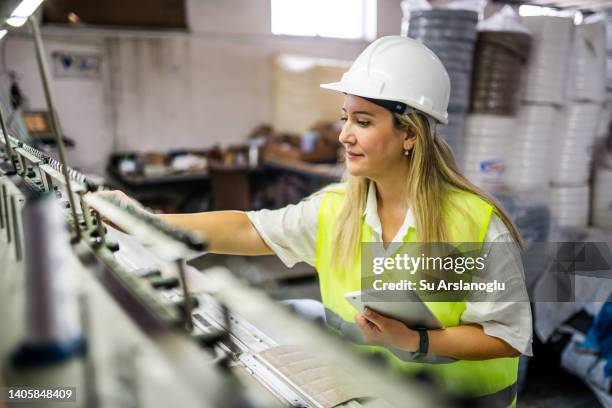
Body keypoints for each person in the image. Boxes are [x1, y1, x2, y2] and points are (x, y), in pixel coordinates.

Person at [99, 36, 532, 407]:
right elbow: (250, 228)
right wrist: (147, 222)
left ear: (410, 134)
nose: (344, 135)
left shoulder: (472, 225)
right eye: (345, 117)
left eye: (363, 121)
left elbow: (505, 337)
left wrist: (414, 341)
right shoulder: (336, 209)